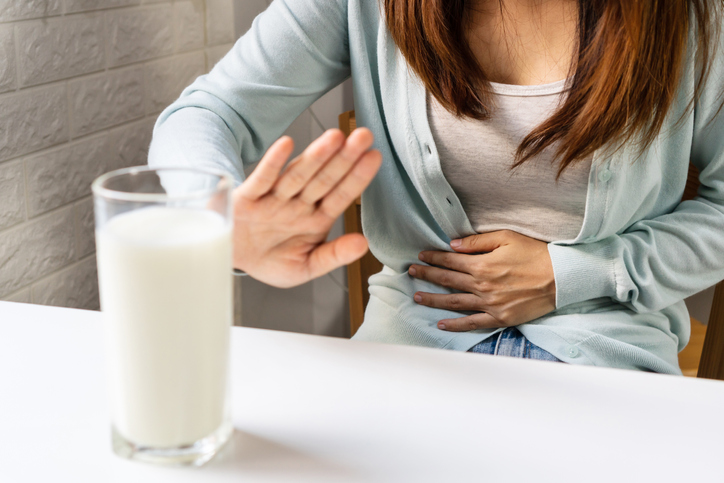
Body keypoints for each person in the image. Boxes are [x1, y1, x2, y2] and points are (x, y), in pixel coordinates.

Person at [149, 0, 724, 373]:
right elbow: (207, 114)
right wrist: (215, 216)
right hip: (409, 350)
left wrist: (576, 273)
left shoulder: (698, 19)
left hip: (611, 355)